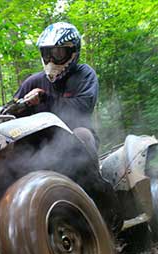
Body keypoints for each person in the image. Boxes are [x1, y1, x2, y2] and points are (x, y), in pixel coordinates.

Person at [14, 22, 99, 158]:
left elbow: (82, 108)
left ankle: (94, 178)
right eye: (47, 54)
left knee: (82, 134)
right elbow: (11, 111)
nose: (51, 60)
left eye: (58, 53)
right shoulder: (33, 82)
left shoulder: (84, 74)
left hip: (73, 138)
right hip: (40, 144)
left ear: (73, 52)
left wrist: (45, 98)